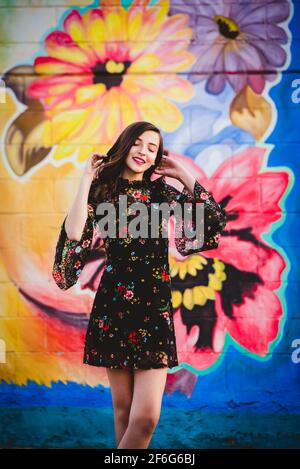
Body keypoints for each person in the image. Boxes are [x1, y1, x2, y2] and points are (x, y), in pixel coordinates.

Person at [52, 121, 226, 449]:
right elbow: (75, 234)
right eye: (138, 143)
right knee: (122, 411)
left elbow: (214, 221)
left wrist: (183, 175)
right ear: (126, 144)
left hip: (154, 309)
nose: (143, 152)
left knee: (145, 418)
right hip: (113, 307)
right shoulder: (102, 190)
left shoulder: (162, 192)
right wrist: (85, 180)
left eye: (152, 147)